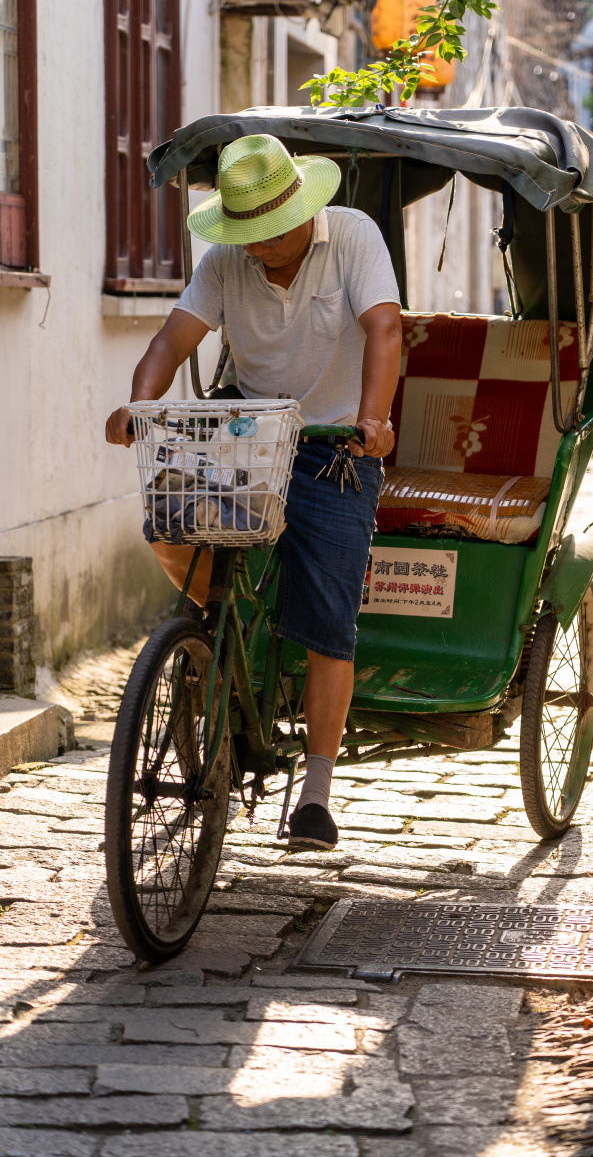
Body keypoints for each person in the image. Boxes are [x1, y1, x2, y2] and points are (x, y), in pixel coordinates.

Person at [105, 134, 402, 851]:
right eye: (245, 236)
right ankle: (216, 634)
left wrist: (373, 419)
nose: (255, 248)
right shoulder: (227, 260)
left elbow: (385, 328)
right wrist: (139, 405)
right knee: (168, 527)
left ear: (302, 211)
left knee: (329, 614)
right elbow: (169, 342)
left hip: (336, 448)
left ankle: (317, 794)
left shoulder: (355, 238)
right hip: (247, 435)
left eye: (265, 234)